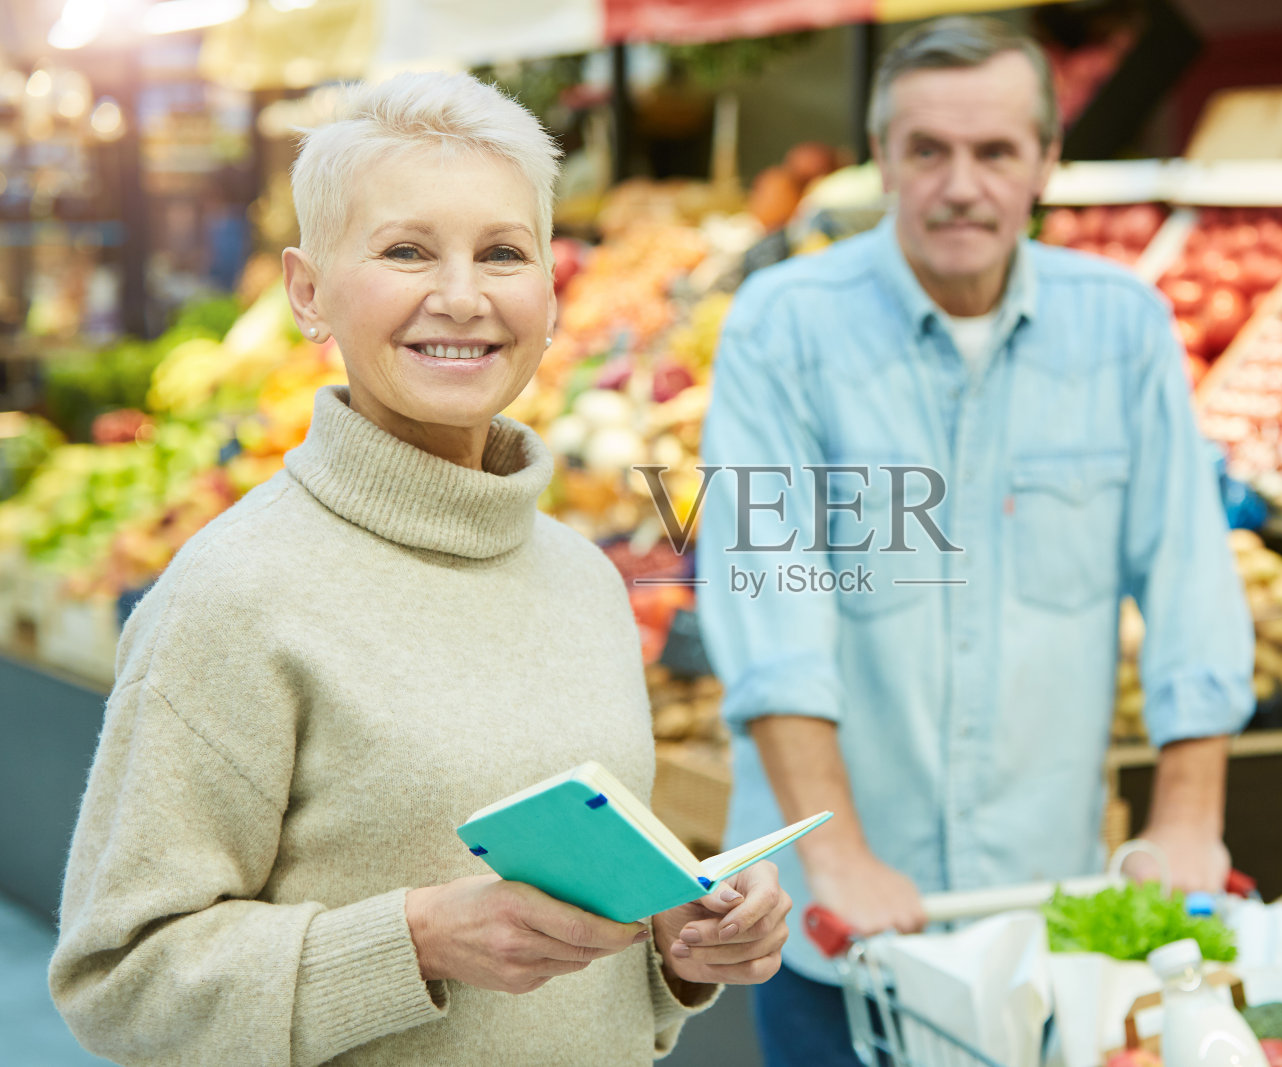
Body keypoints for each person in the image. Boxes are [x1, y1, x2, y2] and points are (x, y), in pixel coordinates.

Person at [49, 72, 791, 1066]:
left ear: (550, 289)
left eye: (502, 252)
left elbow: (579, 948)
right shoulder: (232, 595)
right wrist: (417, 938)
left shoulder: (585, 579)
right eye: (405, 251)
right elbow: (120, 981)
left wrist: (677, 940)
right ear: (306, 291)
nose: (462, 295)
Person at [695, 16, 1253, 1065]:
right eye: (928, 151)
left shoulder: (1123, 327)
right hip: (839, 934)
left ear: (1046, 160)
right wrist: (842, 855)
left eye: (996, 151)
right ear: (882, 159)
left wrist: (1187, 814)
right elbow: (770, 605)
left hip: (1044, 920)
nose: (962, 185)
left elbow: (1189, 574)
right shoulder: (781, 325)